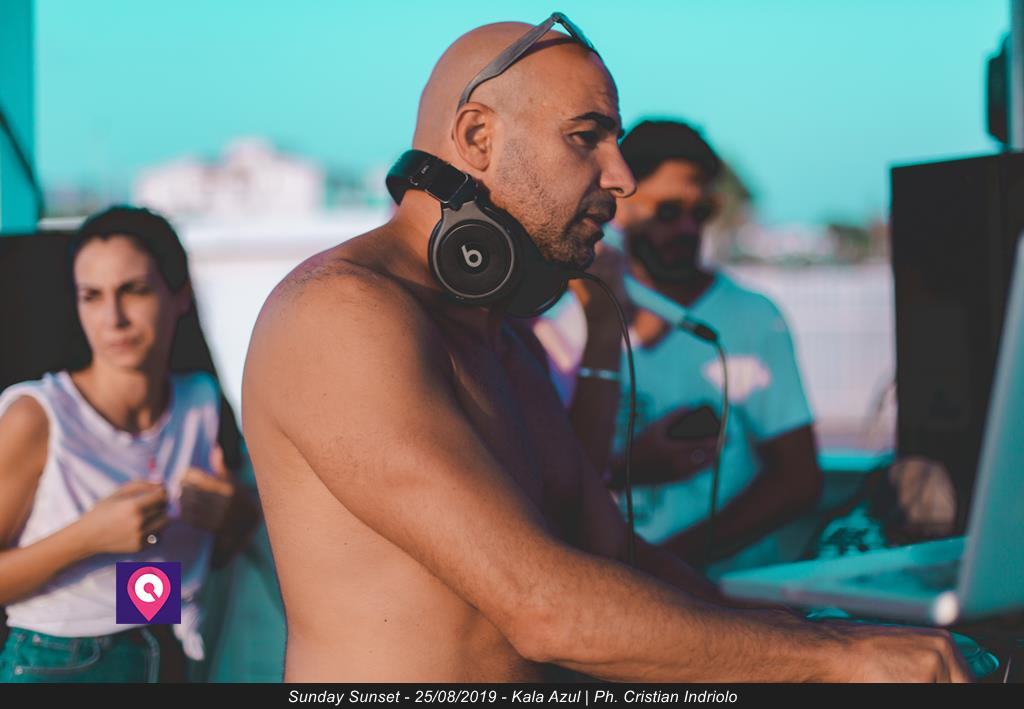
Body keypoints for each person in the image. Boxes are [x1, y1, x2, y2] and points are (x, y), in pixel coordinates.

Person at [242, 17, 969, 682]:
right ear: (478, 137)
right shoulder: (340, 315)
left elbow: (612, 557)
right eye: (586, 137)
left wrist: (832, 632)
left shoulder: (503, 339)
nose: (621, 179)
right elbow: (543, 605)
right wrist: (835, 659)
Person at [540, 119, 823, 565]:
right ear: (619, 206)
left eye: (701, 212)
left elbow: (798, 478)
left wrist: (672, 562)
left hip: (729, 585)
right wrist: (634, 466)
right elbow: (550, 485)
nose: (688, 229)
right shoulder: (564, 325)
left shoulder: (752, 317)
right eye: (669, 211)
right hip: (615, 584)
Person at [0, 206, 258, 683]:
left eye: (134, 290)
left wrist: (230, 515)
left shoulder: (200, 403)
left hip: (170, 651)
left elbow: (219, 553)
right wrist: (86, 538)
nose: (113, 318)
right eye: (92, 296)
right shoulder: (37, 416)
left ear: (180, 295)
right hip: (57, 663)